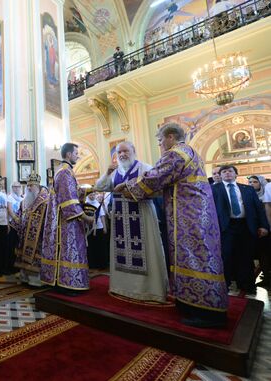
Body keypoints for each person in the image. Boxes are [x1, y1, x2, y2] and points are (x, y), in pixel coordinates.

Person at [115, 123, 228, 328]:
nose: (160, 145)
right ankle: (191, 303)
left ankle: (206, 312)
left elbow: (155, 177)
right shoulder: (190, 151)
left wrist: (127, 186)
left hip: (189, 215)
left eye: (160, 141)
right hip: (195, 213)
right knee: (197, 256)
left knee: (193, 258)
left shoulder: (176, 153)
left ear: (170, 137)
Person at [96, 142, 168, 303]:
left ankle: (149, 290)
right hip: (120, 216)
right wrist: (107, 173)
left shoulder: (145, 168)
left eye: (125, 151)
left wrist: (131, 190)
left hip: (142, 214)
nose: (122, 154)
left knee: (147, 250)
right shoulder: (115, 173)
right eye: (119, 152)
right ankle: (122, 287)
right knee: (121, 253)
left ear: (133, 152)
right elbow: (100, 187)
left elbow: (156, 190)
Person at [41, 143, 93, 294]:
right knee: (69, 250)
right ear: (69, 155)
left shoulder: (65, 171)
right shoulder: (65, 172)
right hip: (66, 221)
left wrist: (90, 190)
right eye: (76, 153)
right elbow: (68, 200)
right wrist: (86, 218)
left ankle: (65, 282)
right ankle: (67, 283)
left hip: (65, 219)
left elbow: (73, 192)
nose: (78, 155)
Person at [212, 166, 269, 294]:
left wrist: (264, 226)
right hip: (225, 227)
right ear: (220, 176)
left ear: (236, 174)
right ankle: (224, 286)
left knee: (246, 256)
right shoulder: (213, 189)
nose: (227, 173)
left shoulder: (247, 189)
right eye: (224, 172)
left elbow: (259, 209)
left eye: (230, 171)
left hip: (245, 226)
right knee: (226, 256)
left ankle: (247, 284)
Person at [12, 173, 49, 286]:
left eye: (31, 185)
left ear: (37, 186)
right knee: (24, 255)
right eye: (28, 185)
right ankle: (25, 277)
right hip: (25, 235)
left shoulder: (45, 200)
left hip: (39, 236)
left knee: (36, 257)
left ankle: (36, 280)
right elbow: (19, 215)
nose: (28, 188)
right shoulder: (25, 201)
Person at [83, 190, 110, 271]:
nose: (92, 196)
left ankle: (102, 264)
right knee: (91, 248)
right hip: (89, 230)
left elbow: (102, 216)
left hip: (99, 228)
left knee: (101, 247)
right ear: (87, 196)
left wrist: (104, 227)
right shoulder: (85, 205)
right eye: (90, 195)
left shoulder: (98, 204)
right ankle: (92, 264)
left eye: (93, 194)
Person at [7, 181, 24, 275]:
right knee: (12, 246)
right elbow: (10, 210)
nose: (16, 188)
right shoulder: (10, 197)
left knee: (19, 245)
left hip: (21, 225)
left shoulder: (22, 198)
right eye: (14, 187)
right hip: (12, 225)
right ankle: (11, 266)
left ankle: (19, 266)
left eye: (18, 187)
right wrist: (16, 219)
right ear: (12, 188)